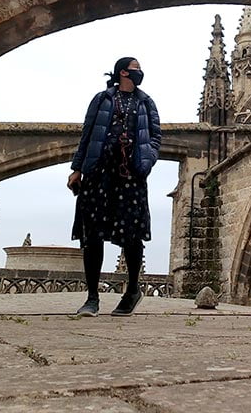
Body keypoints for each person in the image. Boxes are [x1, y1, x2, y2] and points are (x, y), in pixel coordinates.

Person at [68, 57, 161, 316]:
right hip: (99, 172)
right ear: (123, 72)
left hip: (131, 173)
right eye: (135, 69)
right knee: (93, 233)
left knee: (132, 233)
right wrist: (77, 168)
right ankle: (92, 298)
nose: (140, 72)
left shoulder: (146, 102)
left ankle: (133, 290)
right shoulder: (102, 99)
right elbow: (87, 133)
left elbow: (155, 136)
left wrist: (147, 159)